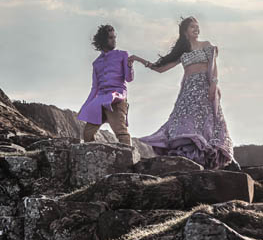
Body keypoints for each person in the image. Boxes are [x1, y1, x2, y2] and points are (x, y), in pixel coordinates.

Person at [130, 17, 235, 169]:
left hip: (204, 89)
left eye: (197, 27)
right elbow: (160, 68)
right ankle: (189, 158)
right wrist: (138, 59)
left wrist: (214, 84)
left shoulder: (206, 45)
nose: (196, 29)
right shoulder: (182, 52)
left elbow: (213, 67)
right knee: (185, 123)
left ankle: (208, 158)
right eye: (192, 27)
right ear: (185, 31)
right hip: (188, 92)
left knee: (207, 122)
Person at [77, 24, 135, 146]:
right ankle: (95, 158)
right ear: (103, 40)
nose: (114, 40)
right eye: (111, 37)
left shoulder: (123, 54)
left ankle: (128, 162)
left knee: (121, 133)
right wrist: (86, 106)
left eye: (114, 37)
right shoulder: (96, 63)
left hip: (116, 99)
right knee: (87, 134)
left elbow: (129, 79)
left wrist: (130, 66)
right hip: (100, 101)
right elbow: (94, 88)